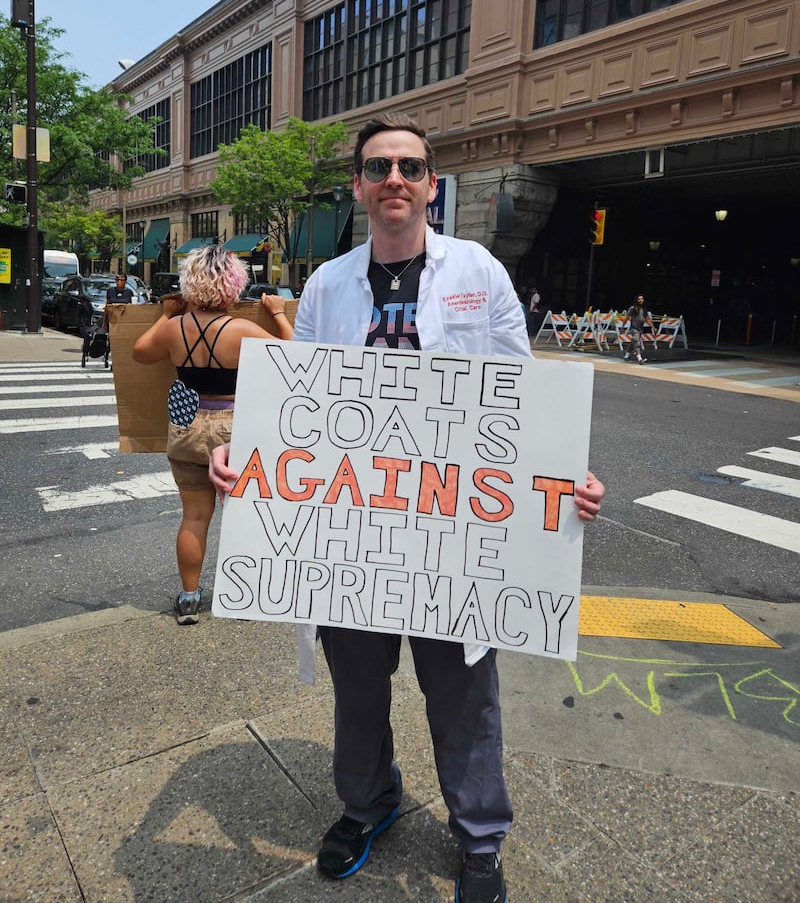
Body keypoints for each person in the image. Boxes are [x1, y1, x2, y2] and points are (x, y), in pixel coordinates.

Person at [209, 112, 604, 902]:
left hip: (457, 538)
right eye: (380, 166)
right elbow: (304, 404)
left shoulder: (480, 272)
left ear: (431, 184)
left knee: (464, 696)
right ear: (359, 185)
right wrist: (246, 455)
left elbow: (522, 400)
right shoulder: (326, 285)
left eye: (412, 167)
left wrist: (568, 478)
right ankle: (368, 803)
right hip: (350, 535)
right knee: (358, 690)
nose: (396, 178)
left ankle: (480, 840)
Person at [133, 244, 293, 625]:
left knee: (194, 517)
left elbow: (140, 352)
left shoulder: (174, 329)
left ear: (190, 283)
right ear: (234, 285)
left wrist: (166, 314)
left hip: (186, 427)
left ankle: (189, 599)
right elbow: (293, 357)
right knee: (243, 515)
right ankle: (246, 598)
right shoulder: (241, 329)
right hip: (234, 427)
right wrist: (279, 314)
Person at [621, 293, 655, 364]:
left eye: (642, 299)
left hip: (640, 329)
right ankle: (639, 358)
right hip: (634, 328)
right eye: (639, 299)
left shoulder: (644, 310)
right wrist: (622, 327)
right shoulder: (632, 308)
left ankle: (626, 355)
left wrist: (653, 327)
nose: (640, 300)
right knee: (637, 342)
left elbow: (647, 320)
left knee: (633, 342)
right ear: (636, 300)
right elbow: (626, 318)